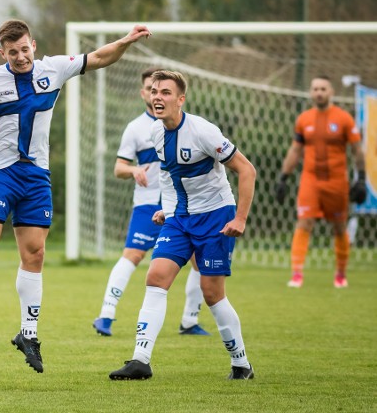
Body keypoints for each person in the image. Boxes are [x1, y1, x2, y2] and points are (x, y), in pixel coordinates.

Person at [0, 19, 151, 373]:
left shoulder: (54, 69)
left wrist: (128, 40)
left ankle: (28, 333)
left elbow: (101, 57)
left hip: (36, 177)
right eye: (12, 52)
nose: (20, 56)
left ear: (34, 45)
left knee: (36, 252)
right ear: (3, 53)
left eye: (24, 49)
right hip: (0, 173)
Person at [109, 70, 256, 381]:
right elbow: (170, 176)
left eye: (165, 92)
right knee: (156, 276)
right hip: (180, 219)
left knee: (212, 293)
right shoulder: (156, 133)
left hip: (216, 217)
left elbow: (246, 170)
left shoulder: (203, 131)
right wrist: (168, 209)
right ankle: (140, 360)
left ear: (180, 99)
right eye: (154, 92)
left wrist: (240, 218)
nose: (157, 97)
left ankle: (241, 363)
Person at [92, 67, 210, 337]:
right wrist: (134, 170)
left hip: (182, 205)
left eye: (161, 90)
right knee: (132, 254)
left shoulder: (186, 125)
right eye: (150, 88)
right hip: (148, 203)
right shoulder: (135, 128)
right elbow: (119, 168)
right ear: (143, 92)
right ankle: (106, 315)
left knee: (199, 260)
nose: (154, 94)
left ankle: (190, 320)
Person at [275, 76, 365, 288]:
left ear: (331, 91)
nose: (319, 92)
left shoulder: (344, 119)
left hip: (337, 182)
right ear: (311, 92)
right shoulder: (304, 119)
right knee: (304, 222)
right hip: (311, 180)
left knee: (339, 226)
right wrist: (283, 177)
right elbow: (296, 150)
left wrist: (361, 178)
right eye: (315, 89)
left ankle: (341, 274)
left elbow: (357, 150)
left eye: (323, 88)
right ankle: (297, 274)